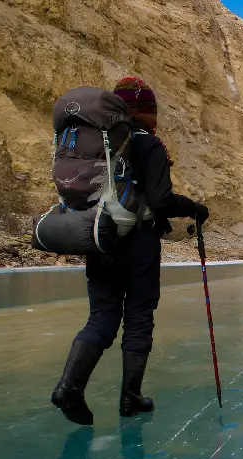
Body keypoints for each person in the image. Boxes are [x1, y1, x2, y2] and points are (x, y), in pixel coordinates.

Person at [51, 76, 210, 426]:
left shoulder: (101, 145)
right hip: (138, 243)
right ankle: (130, 397)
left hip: (100, 237)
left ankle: (69, 387)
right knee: (138, 318)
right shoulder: (148, 145)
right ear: (146, 112)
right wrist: (195, 208)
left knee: (102, 316)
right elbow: (160, 200)